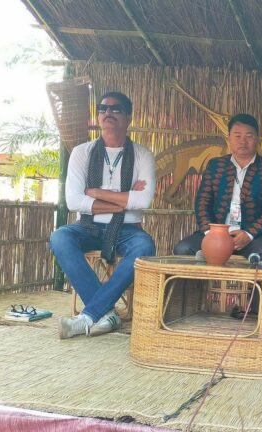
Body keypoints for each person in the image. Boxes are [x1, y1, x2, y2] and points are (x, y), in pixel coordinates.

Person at [50, 91, 156, 339]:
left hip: (127, 229)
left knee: (145, 246)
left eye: (116, 109)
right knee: (60, 237)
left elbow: (143, 200)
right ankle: (106, 313)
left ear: (128, 117)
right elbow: (74, 201)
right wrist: (123, 201)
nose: (108, 113)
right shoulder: (82, 153)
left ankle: (89, 315)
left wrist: (95, 193)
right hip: (88, 226)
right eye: (103, 109)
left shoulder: (142, 155)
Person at [173, 113, 262, 317]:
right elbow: (202, 202)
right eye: (237, 135)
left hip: (254, 237)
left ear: (258, 139)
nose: (243, 141)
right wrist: (211, 234)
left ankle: (256, 313)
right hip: (216, 233)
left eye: (249, 136)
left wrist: (249, 234)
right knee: (183, 249)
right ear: (229, 138)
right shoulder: (216, 166)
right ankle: (189, 309)